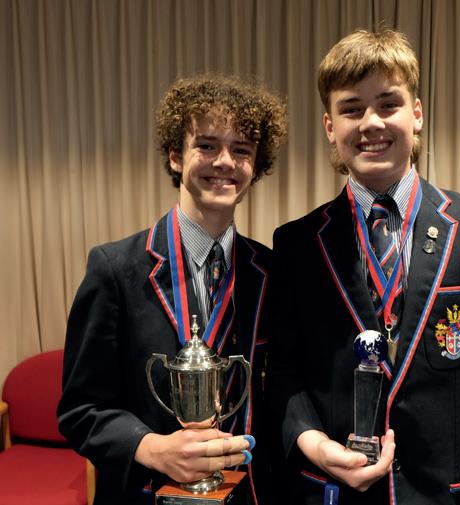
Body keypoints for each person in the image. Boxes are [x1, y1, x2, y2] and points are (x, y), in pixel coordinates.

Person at [269, 28, 460, 505]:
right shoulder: (297, 246)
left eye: (388, 104)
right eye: (351, 109)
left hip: (448, 493)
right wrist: (314, 444)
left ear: (417, 113)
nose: (371, 123)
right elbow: (284, 373)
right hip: (337, 489)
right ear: (329, 127)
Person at [58, 73, 287, 505]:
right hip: (147, 494)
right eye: (207, 145)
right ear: (176, 156)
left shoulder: (271, 272)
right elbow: (80, 411)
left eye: (241, 150)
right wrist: (153, 449)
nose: (225, 161)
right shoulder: (114, 269)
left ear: (255, 167)